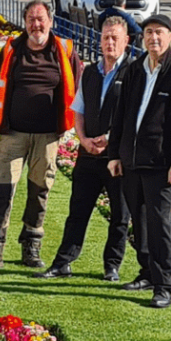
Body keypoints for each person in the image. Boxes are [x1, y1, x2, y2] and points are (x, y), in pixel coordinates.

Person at [0, 0, 82, 272]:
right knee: (1, 188)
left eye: (41, 19)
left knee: (39, 190)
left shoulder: (65, 51)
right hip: (13, 133)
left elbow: (77, 89)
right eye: (31, 19)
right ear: (25, 22)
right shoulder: (12, 49)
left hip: (47, 136)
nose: (36, 24)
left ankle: (31, 246)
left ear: (50, 21)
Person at [107, 14, 171, 309]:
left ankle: (164, 285)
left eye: (159, 33)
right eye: (148, 33)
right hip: (132, 160)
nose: (153, 38)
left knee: (160, 224)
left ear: (169, 37)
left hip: (161, 163)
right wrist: (115, 154)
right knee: (140, 222)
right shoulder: (135, 69)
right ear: (142, 38)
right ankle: (147, 272)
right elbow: (120, 115)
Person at [38, 15, 131, 281]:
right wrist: (83, 138)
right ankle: (63, 262)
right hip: (88, 154)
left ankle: (111, 266)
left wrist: (110, 139)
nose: (109, 42)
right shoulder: (91, 71)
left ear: (126, 40)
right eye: (105, 37)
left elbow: (134, 116)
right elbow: (78, 109)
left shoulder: (133, 73)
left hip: (117, 157)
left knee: (120, 216)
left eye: (115, 37)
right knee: (78, 211)